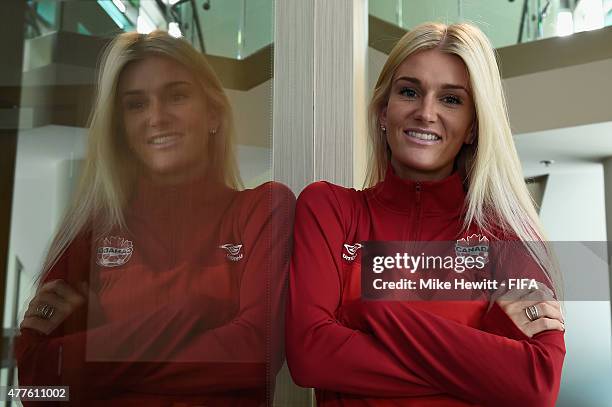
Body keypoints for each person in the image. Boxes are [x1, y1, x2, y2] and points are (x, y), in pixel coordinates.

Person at [286, 22, 565, 406]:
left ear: (472, 128)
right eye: (409, 92)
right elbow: (310, 356)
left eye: (451, 100)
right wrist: (482, 357)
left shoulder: (506, 233)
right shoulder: (329, 209)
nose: (425, 112)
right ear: (384, 112)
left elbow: (536, 385)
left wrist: (371, 311)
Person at [16, 30, 294, 406]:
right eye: (136, 105)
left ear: (213, 112)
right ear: (121, 128)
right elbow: (38, 386)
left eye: (177, 96)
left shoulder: (262, 210)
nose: (157, 118)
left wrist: (98, 350)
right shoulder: (89, 229)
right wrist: (192, 311)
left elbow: (252, 360)